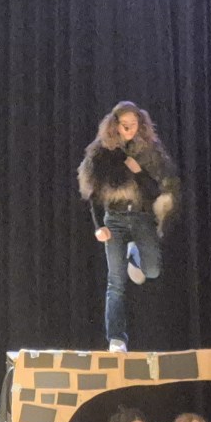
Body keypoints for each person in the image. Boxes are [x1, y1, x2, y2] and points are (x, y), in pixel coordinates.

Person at [76, 102, 180, 353]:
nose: (129, 129)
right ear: (115, 125)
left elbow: (159, 189)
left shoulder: (151, 151)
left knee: (152, 270)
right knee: (116, 281)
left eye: (134, 124)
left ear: (140, 124)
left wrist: (139, 172)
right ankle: (116, 339)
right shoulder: (102, 152)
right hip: (115, 219)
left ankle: (135, 255)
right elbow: (91, 193)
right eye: (125, 125)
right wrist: (98, 226)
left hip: (142, 217)